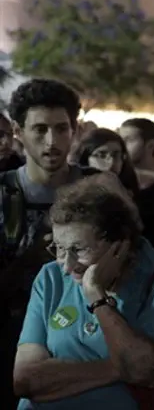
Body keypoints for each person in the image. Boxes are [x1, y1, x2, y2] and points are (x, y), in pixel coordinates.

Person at [13, 173, 154, 409]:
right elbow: (25, 380)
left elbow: (144, 367)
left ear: (120, 245)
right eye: (58, 248)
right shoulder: (50, 276)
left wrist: (97, 297)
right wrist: (120, 367)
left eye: (78, 249)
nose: (66, 265)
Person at [0, 79, 90, 409]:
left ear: (74, 130)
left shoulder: (97, 190)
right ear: (18, 132)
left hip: (84, 343)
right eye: (39, 129)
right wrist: (33, 257)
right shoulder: (5, 193)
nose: (52, 141)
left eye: (61, 128)